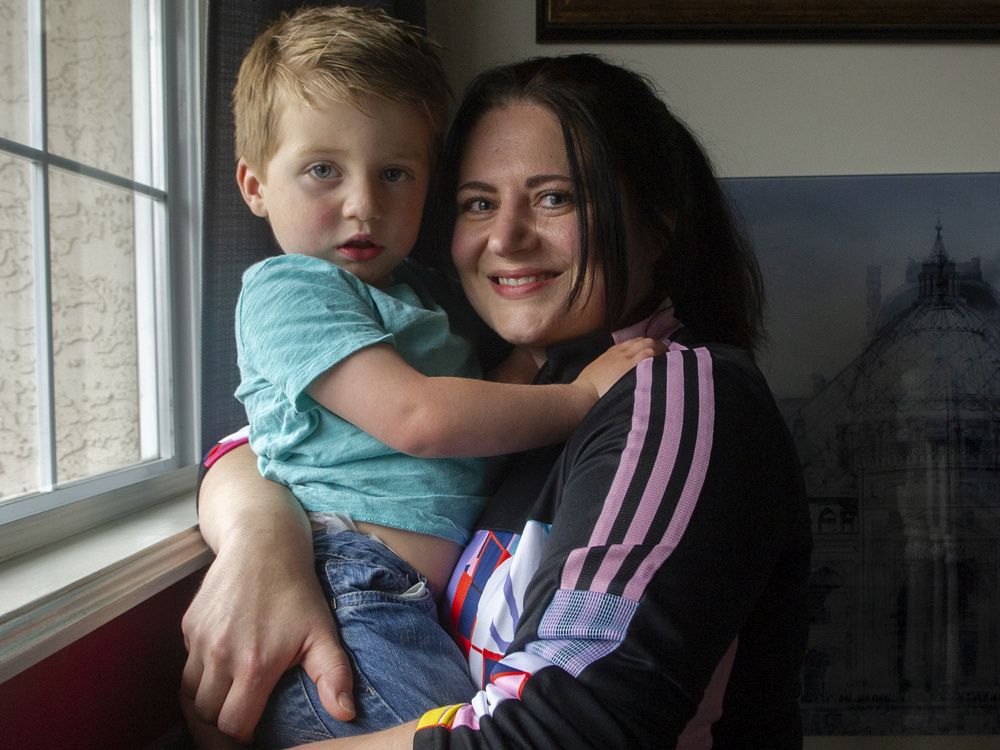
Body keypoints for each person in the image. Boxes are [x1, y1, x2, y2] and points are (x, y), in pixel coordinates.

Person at [183, 53, 811, 749]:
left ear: (657, 224)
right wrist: (264, 545)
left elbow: (571, 730)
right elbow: (268, 438)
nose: (506, 238)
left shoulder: (672, 398)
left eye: (555, 198)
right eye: (479, 203)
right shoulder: (489, 380)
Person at [222, 8, 659, 746]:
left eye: (395, 173)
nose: (364, 204)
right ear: (256, 185)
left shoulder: (414, 292)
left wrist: (522, 369)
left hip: (401, 599)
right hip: (356, 592)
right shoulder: (289, 288)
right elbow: (419, 419)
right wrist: (578, 396)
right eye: (323, 170)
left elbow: (464, 407)